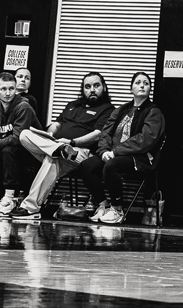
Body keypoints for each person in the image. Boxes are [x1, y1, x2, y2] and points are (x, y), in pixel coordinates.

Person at [12, 72, 115, 222]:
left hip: (81, 153)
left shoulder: (107, 109)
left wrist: (72, 143)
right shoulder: (72, 105)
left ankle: (30, 207)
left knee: (52, 158)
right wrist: (50, 134)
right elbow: (57, 123)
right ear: (82, 89)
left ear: (104, 87)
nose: (92, 89)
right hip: (59, 147)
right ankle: (57, 149)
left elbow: (98, 134)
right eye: (87, 86)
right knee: (24, 134)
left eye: (96, 85)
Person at [79, 72, 165, 225]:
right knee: (87, 166)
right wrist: (104, 151)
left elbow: (144, 140)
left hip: (140, 157)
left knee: (112, 166)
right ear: (131, 88)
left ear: (150, 89)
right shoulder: (121, 110)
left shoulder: (153, 111)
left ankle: (117, 209)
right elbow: (106, 132)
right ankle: (103, 205)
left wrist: (115, 152)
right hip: (113, 153)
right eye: (138, 82)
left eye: (146, 83)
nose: (142, 85)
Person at [0, 70, 42, 216]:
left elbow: (18, 138)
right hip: (9, 146)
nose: (7, 93)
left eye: (11, 88)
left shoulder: (23, 106)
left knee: (8, 150)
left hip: (31, 151)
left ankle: (9, 198)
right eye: (3, 89)